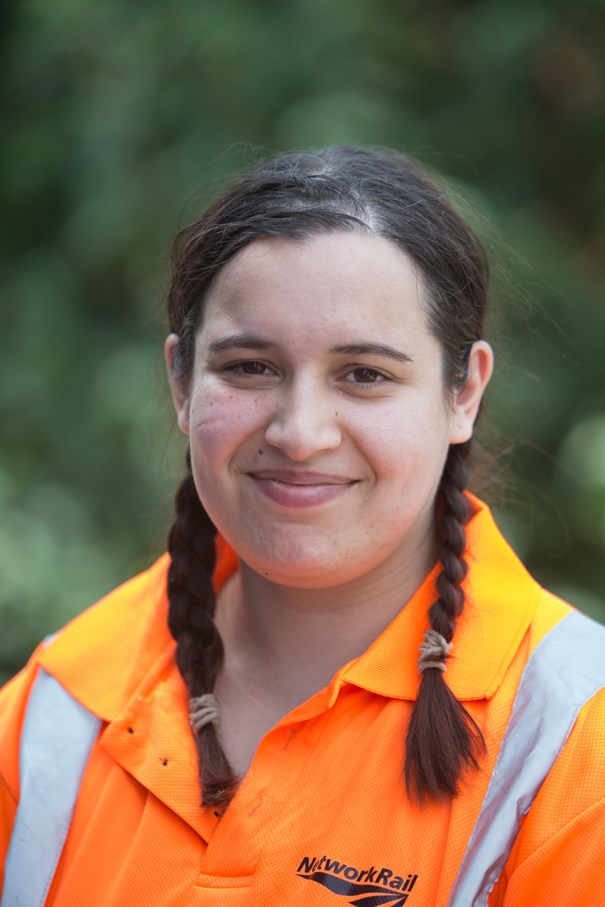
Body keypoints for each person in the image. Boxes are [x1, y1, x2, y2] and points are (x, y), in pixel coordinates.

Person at [1, 146, 604, 907]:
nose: (299, 430)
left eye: (364, 374)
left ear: (463, 392)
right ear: (181, 383)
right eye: (251, 366)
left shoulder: (572, 740)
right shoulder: (64, 702)